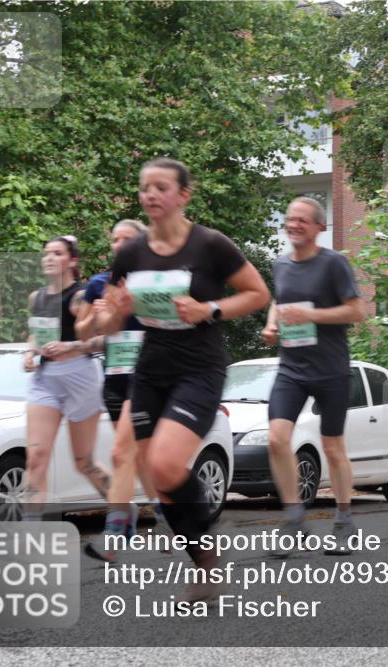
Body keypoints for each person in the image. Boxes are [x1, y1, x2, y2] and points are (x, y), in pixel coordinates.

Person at [98, 158, 270, 600]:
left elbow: (258, 294)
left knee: (165, 465)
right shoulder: (130, 254)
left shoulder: (210, 245)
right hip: (152, 367)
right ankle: (205, 563)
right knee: (157, 476)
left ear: (183, 196)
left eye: (160, 187)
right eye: (144, 189)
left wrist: (209, 310)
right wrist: (113, 314)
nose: (150, 195)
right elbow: (113, 320)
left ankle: (207, 537)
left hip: (200, 367)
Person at [261, 196, 365, 557]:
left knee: (333, 447)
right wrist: (272, 324)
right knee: (276, 439)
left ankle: (344, 520)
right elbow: (280, 300)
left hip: (331, 369)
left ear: (319, 227)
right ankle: (293, 519)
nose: (294, 225)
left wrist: (312, 317)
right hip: (291, 368)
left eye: (303, 220)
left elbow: (357, 311)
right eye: (290, 219)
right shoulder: (279, 264)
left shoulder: (334, 263)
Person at [77, 219, 171, 561]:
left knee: (121, 453)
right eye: (115, 239)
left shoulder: (155, 283)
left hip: (147, 376)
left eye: (127, 239)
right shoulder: (99, 284)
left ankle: (115, 531)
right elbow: (84, 334)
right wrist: (99, 315)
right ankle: (165, 515)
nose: (119, 244)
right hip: (115, 377)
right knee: (137, 455)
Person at [22, 236, 109, 519]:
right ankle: (28, 536)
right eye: (46, 253)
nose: (48, 258)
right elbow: (36, 331)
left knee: (83, 463)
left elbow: (99, 339)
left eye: (56, 253)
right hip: (47, 378)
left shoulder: (80, 297)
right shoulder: (37, 297)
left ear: (72, 261)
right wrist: (28, 353)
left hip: (80, 377)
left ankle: (122, 509)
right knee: (35, 458)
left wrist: (70, 345)